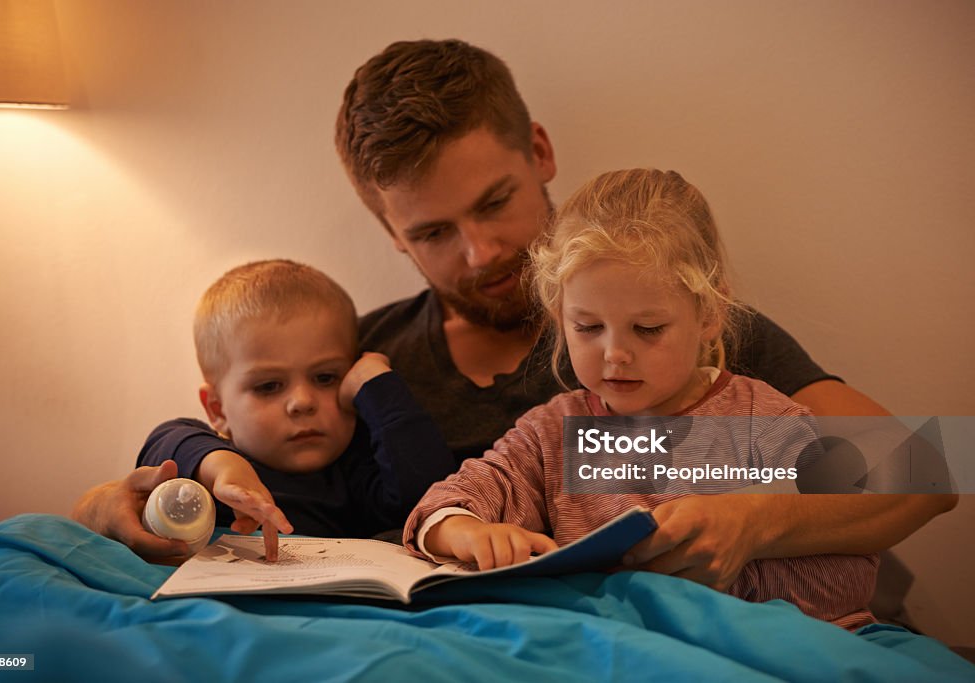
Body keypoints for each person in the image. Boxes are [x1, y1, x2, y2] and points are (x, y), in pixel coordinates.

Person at [73, 39, 955, 576]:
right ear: (389, 233)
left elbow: (927, 471)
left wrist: (758, 518)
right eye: (433, 231)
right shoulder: (359, 363)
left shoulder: (681, 331)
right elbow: (220, 457)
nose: (482, 252)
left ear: (539, 151)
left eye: (495, 202)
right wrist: (118, 505)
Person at [405, 168, 877, 629]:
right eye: (587, 327)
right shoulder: (553, 432)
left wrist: (741, 561)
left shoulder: (760, 420)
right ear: (558, 315)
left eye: (648, 328)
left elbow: (851, 576)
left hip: (758, 643)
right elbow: (450, 501)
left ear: (709, 313)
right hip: (614, 647)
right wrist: (466, 531)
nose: (615, 354)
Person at [134, 259, 456, 560]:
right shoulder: (220, 476)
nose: (303, 402)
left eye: (326, 377)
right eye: (269, 386)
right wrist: (222, 468)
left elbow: (434, 497)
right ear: (217, 409)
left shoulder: (360, 469)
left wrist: (379, 388)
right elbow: (167, 443)